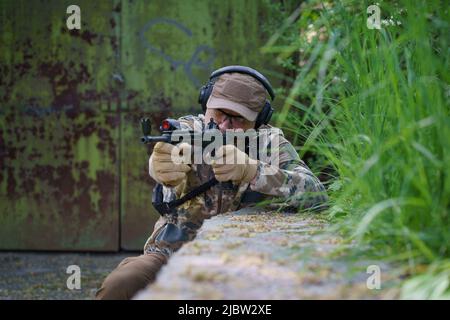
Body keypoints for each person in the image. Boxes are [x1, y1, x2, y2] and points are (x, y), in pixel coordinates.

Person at [96, 66, 328, 300]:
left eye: (238, 118)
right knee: (120, 284)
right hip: (172, 252)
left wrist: (254, 171)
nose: (225, 125)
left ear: (259, 120)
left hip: (245, 260)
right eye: (219, 113)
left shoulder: (269, 142)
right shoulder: (189, 129)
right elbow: (167, 150)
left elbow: (317, 195)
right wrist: (159, 166)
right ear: (206, 104)